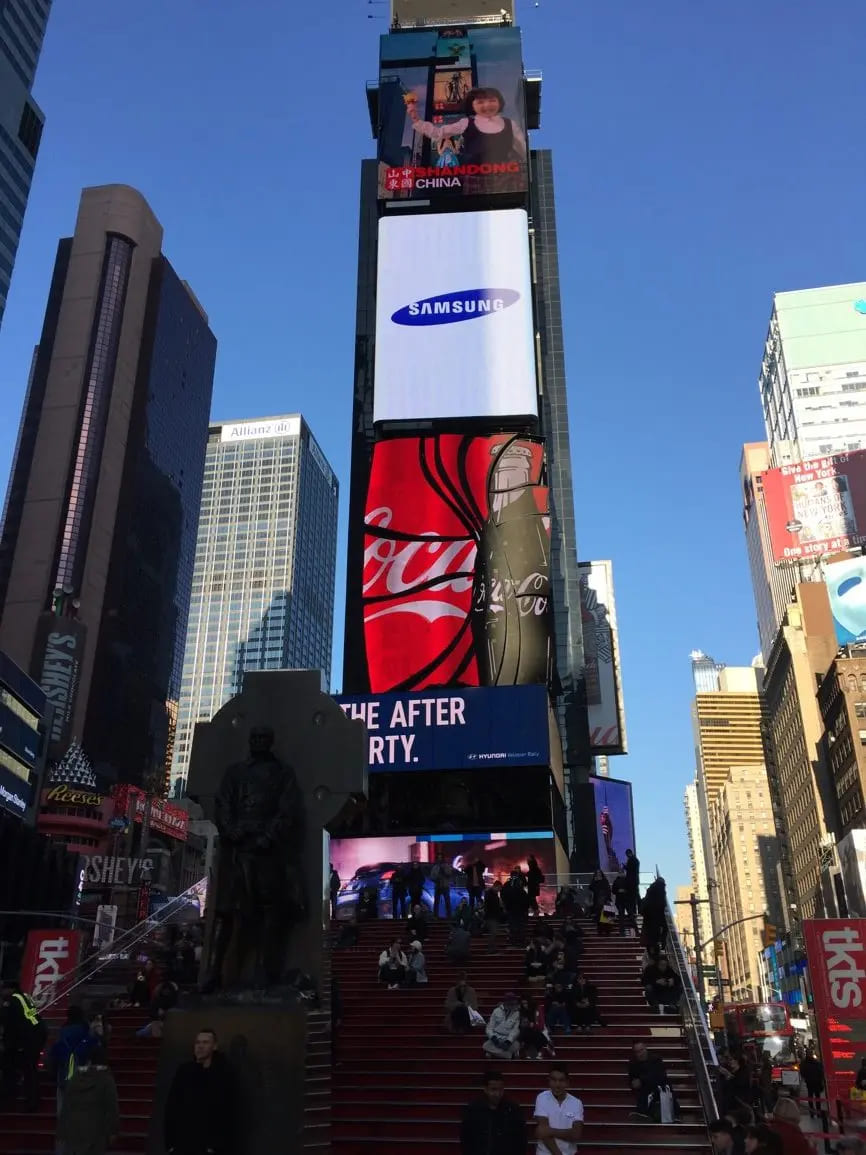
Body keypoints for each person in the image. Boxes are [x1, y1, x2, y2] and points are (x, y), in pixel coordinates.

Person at [407, 86, 527, 167]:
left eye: (491, 100)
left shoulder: (510, 124)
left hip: (505, 175)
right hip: (475, 176)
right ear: (472, 105)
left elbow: (522, 149)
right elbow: (439, 133)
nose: (487, 105)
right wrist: (416, 119)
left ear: (499, 102)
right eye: (480, 102)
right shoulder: (466, 123)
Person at [164, 1028, 236, 1155]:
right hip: (182, 1144)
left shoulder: (223, 1073)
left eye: (205, 1042)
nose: (200, 1046)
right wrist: (170, 1144)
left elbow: (226, 1111)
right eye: (198, 1043)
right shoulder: (184, 1071)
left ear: (214, 1046)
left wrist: (214, 1145)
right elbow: (172, 1106)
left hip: (208, 1146)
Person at [57, 1046, 119, 1155]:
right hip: (96, 1131)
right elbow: (112, 1107)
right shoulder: (106, 1079)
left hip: (74, 1129)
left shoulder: (75, 1078)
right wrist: (113, 1131)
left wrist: (62, 1130)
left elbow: (66, 1105)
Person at [0, 980, 44, 1111]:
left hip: (27, 1040)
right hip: (35, 1037)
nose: (1, 993)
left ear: (10, 989)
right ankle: (31, 1101)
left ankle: (13, 1101)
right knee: (30, 1071)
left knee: (15, 1070)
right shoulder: (25, 997)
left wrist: (9, 1044)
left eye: (3, 989)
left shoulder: (13, 1001)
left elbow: (11, 1024)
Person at [461, 1070, 527, 1155]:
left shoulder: (513, 1110)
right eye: (493, 1090)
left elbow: (521, 1140)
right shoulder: (473, 1110)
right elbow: (466, 1139)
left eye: (501, 1090)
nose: (498, 1094)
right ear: (485, 1089)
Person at [51, 1005, 95, 1116]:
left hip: (64, 1070)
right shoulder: (85, 1030)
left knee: (63, 1101)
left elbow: (55, 1052)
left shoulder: (63, 1031)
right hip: (82, 1070)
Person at [533, 1064, 583, 1155]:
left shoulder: (576, 1103)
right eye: (553, 1080)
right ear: (549, 1081)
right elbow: (544, 1134)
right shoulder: (541, 1098)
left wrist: (550, 1131)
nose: (557, 1085)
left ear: (568, 1082)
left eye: (561, 1080)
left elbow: (576, 1135)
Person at [628, 1040, 670, 1118]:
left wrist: (642, 1080)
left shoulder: (656, 1059)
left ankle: (646, 1112)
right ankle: (644, 1112)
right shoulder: (633, 1063)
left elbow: (660, 1076)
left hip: (658, 1087)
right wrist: (634, 1083)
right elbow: (631, 1078)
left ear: (645, 1049)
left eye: (641, 1050)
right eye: (637, 1052)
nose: (640, 1054)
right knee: (642, 1088)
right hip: (643, 1088)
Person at [483, 993, 521, 1059]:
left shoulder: (517, 1013)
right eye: (511, 1003)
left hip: (507, 1038)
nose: (513, 1005)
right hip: (496, 1037)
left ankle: (497, 1053)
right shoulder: (496, 1011)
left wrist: (508, 1041)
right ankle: (507, 1055)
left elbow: (515, 1030)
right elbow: (489, 1027)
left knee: (517, 1045)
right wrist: (494, 1039)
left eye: (514, 1003)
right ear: (506, 1002)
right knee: (485, 1046)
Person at [518, 996, 551, 1061]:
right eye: (523, 1003)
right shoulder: (521, 1011)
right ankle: (529, 1053)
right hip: (526, 1030)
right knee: (525, 1032)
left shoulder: (537, 1009)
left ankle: (539, 1052)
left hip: (537, 1029)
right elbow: (519, 1024)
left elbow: (541, 1024)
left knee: (535, 1033)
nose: (525, 1005)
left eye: (526, 1003)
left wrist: (534, 1025)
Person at [640, 877, 668, 950]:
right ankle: (662, 942)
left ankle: (652, 944)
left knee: (651, 930)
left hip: (648, 914)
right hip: (658, 913)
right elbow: (662, 903)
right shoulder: (661, 889)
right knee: (665, 928)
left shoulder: (650, 889)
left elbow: (646, 900)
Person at [799, 1049, 824, 1118]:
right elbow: (821, 1071)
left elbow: (802, 1072)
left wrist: (806, 1078)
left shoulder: (804, 1063)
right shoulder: (816, 1062)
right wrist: (820, 1079)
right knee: (817, 1097)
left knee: (810, 1097)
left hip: (809, 1082)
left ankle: (812, 1113)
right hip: (816, 1082)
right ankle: (818, 1113)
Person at [431, 854, 456, 919]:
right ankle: (435, 915)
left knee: (447, 901)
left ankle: (449, 915)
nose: (439, 859)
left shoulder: (446, 866)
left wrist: (444, 870)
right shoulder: (435, 867)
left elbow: (449, 874)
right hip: (438, 886)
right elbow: (432, 876)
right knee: (436, 902)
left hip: (445, 886)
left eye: (440, 858)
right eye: (438, 858)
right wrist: (436, 878)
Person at [611, 870, 630, 935]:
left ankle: (624, 931)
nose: (621, 874)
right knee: (623, 915)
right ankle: (623, 931)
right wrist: (619, 891)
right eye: (620, 873)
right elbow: (613, 891)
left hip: (623, 900)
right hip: (622, 900)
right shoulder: (618, 881)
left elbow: (613, 891)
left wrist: (623, 891)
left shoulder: (619, 881)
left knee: (623, 915)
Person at [624, 849, 640, 917]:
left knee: (632, 897)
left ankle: (632, 911)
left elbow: (630, 869)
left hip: (631, 881)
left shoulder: (632, 860)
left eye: (627, 855)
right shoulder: (636, 860)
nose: (627, 856)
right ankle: (634, 910)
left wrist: (625, 867)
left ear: (629, 853)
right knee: (634, 896)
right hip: (634, 881)